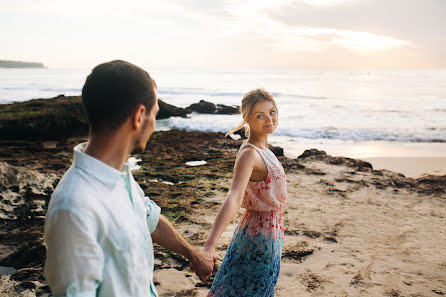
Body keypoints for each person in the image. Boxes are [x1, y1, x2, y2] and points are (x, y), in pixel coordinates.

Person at [44, 60, 216, 297]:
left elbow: (150, 220)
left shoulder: (120, 178)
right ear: (139, 116)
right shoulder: (74, 206)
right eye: (155, 114)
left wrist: (194, 255)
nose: (154, 125)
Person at [202, 89, 288, 297]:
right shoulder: (250, 153)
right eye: (260, 115)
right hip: (258, 237)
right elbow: (234, 196)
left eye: (272, 111)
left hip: (270, 233)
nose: (269, 118)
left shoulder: (264, 149)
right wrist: (210, 245)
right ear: (247, 118)